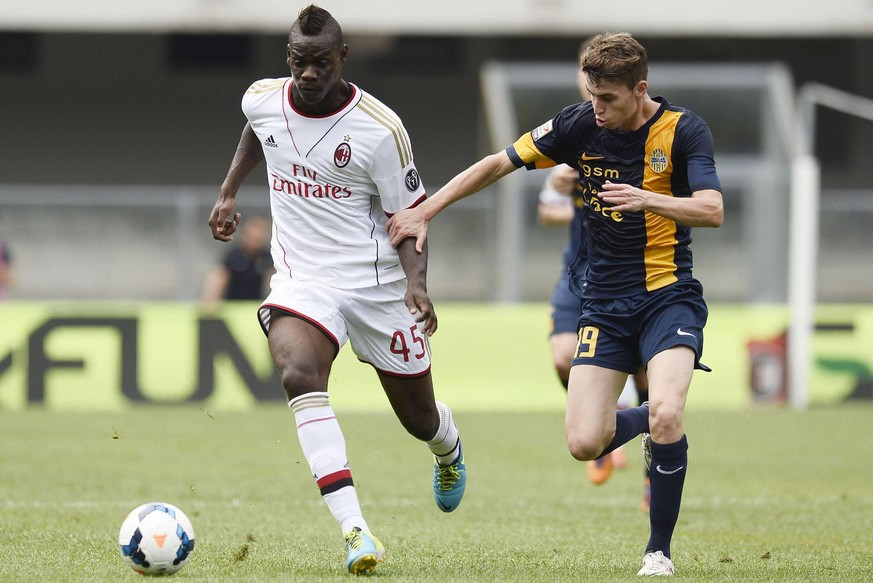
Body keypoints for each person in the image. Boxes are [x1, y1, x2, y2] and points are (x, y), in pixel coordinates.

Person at [388, 32, 723, 577]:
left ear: (640, 89)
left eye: (608, 98)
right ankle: (660, 423)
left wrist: (646, 198)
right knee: (584, 442)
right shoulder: (577, 125)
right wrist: (428, 211)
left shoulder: (684, 130)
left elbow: (711, 209)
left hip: (669, 297)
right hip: (603, 304)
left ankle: (658, 551)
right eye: (592, 95)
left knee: (666, 412)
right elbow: (497, 164)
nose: (597, 108)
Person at [207, 5, 466, 576]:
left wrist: (418, 288)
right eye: (299, 62)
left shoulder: (380, 130)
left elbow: (410, 218)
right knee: (298, 373)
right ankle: (356, 531)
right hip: (303, 279)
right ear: (288, 58)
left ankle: (447, 448)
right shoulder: (262, 97)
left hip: (377, 285)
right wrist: (229, 192)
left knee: (418, 418)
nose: (307, 74)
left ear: (342, 58)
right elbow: (260, 130)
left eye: (320, 63)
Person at [538, 165, 651, 499]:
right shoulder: (572, 152)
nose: (600, 111)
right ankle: (599, 424)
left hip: (633, 276)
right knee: (562, 358)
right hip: (578, 274)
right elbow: (547, 208)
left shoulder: (644, 150)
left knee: (647, 378)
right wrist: (567, 192)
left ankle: (653, 477)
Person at [200, 214, 274, 310]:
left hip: (255, 306)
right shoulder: (234, 255)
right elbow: (219, 278)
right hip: (232, 306)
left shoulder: (267, 256)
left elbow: (274, 277)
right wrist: (210, 303)